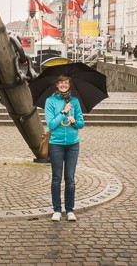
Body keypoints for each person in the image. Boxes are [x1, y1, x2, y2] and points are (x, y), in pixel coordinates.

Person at [44, 74, 84, 222]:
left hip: (73, 144)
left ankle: (70, 210)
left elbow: (81, 123)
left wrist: (74, 121)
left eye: (66, 82)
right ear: (56, 84)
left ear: (69, 84)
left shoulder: (75, 101)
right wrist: (63, 112)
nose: (63, 85)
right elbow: (51, 125)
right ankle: (57, 210)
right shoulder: (50, 101)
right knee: (56, 178)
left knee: (70, 178)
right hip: (56, 144)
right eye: (61, 82)